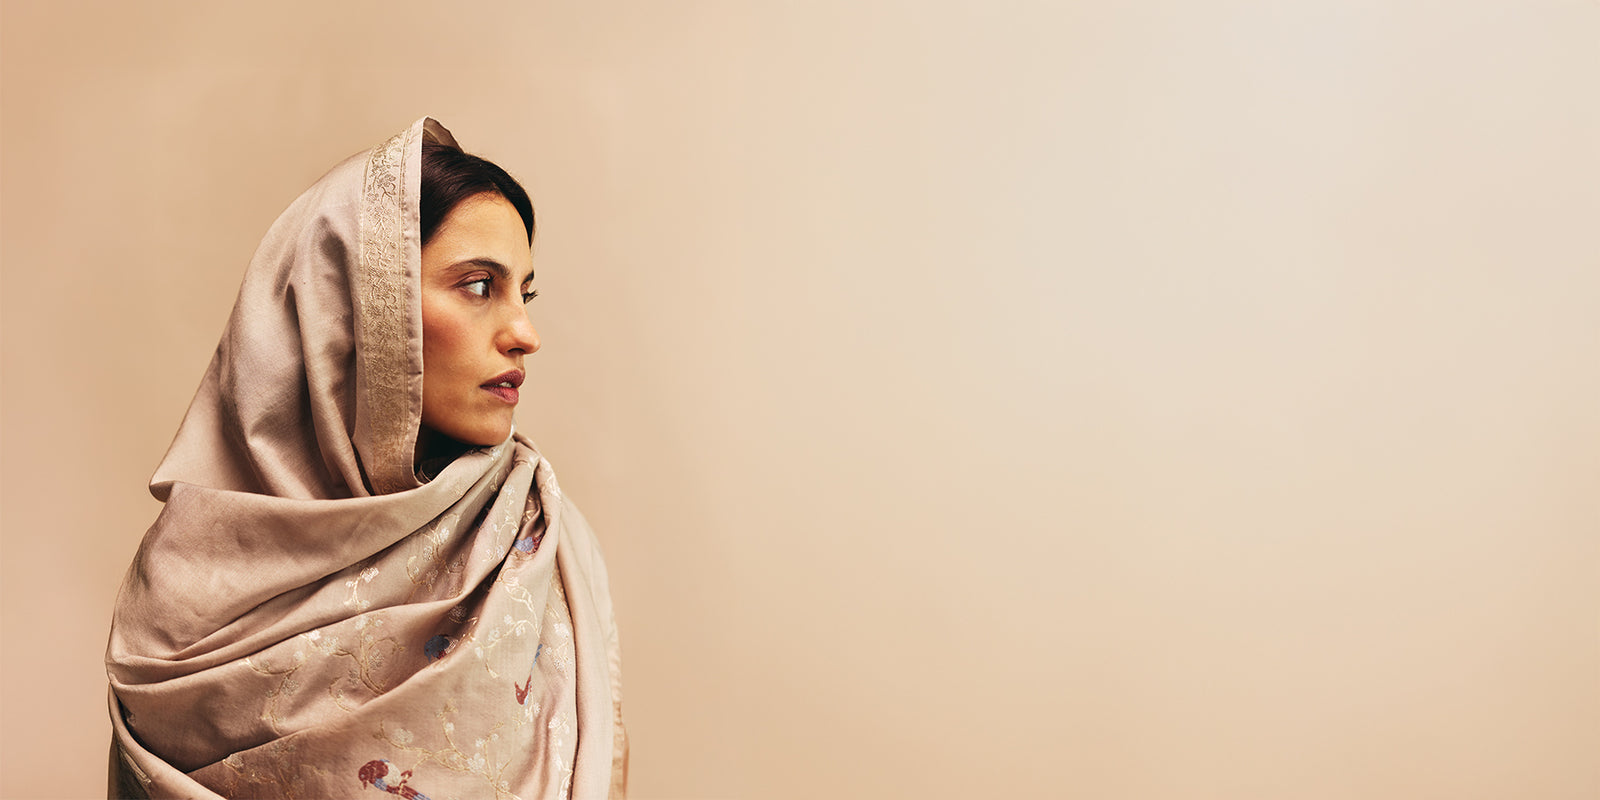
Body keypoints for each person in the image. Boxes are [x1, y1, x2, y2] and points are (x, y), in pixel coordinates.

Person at [105, 118, 627, 799]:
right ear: (356, 310)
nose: (525, 333)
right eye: (478, 286)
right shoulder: (187, 597)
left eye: (523, 294)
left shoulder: (534, 542)